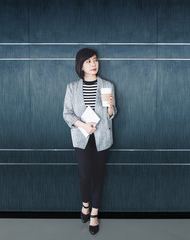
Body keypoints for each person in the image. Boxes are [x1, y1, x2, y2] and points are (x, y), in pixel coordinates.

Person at [63, 48, 117, 235]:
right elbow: (67, 114)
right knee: (85, 176)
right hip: (81, 137)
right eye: (88, 61)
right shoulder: (72, 87)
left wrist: (110, 106)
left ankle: (94, 213)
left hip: (102, 138)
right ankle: (85, 204)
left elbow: (111, 115)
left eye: (95, 60)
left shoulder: (107, 85)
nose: (93, 64)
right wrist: (83, 126)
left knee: (99, 176)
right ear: (81, 65)